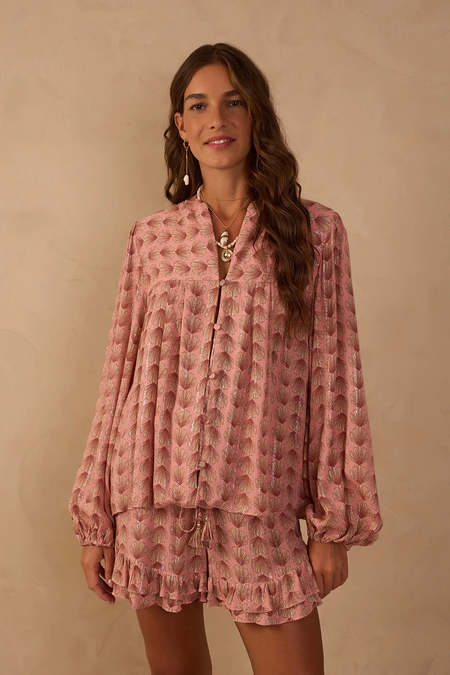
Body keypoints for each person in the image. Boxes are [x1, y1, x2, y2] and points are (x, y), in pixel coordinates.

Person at [68, 42, 383, 675]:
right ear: (181, 127)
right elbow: (120, 375)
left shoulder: (315, 232)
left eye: (234, 102)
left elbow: (335, 378)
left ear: (256, 113)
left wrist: (332, 524)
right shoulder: (152, 239)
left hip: (259, 494)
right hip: (150, 495)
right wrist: (97, 514)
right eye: (199, 105)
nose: (217, 118)